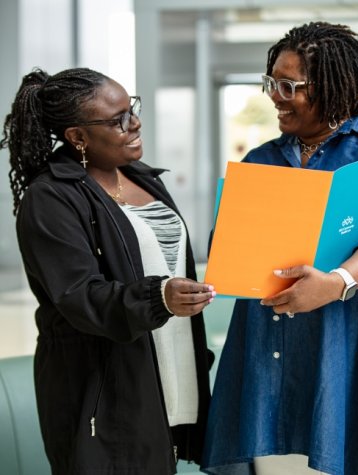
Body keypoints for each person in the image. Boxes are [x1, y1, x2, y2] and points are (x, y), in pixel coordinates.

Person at [201, 22, 358, 475]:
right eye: (272, 83)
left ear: (332, 87)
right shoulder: (261, 159)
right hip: (274, 334)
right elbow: (229, 241)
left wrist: (338, 282)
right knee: (275, 445)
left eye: (289, 86)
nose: (275, 96)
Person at [1, 67, 217, 475]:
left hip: (166, 370)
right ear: (77, 136)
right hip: (102, 390)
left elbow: (160, 261)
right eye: (117, 119)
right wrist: (160, 297)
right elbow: (80, 296)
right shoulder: (49, 198)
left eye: (131, 108)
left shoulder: (142, 177)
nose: (133, 123)